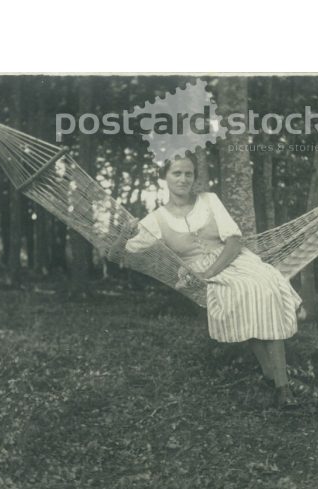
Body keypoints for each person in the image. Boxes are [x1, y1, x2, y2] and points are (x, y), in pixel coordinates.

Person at [109, 153, 303, 408]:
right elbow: (117, 255)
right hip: (196, 271)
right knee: (246, 295)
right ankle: (275, 377)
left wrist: (210, 272)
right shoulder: (155, 220)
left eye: (188, 173)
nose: (183, 179)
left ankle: (280, 384)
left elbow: (234, 242)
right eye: (176, 173)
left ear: (195, 178)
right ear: (164, 178)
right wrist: (124, 232)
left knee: (264, 287)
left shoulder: (210, 201)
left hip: (234, 260)